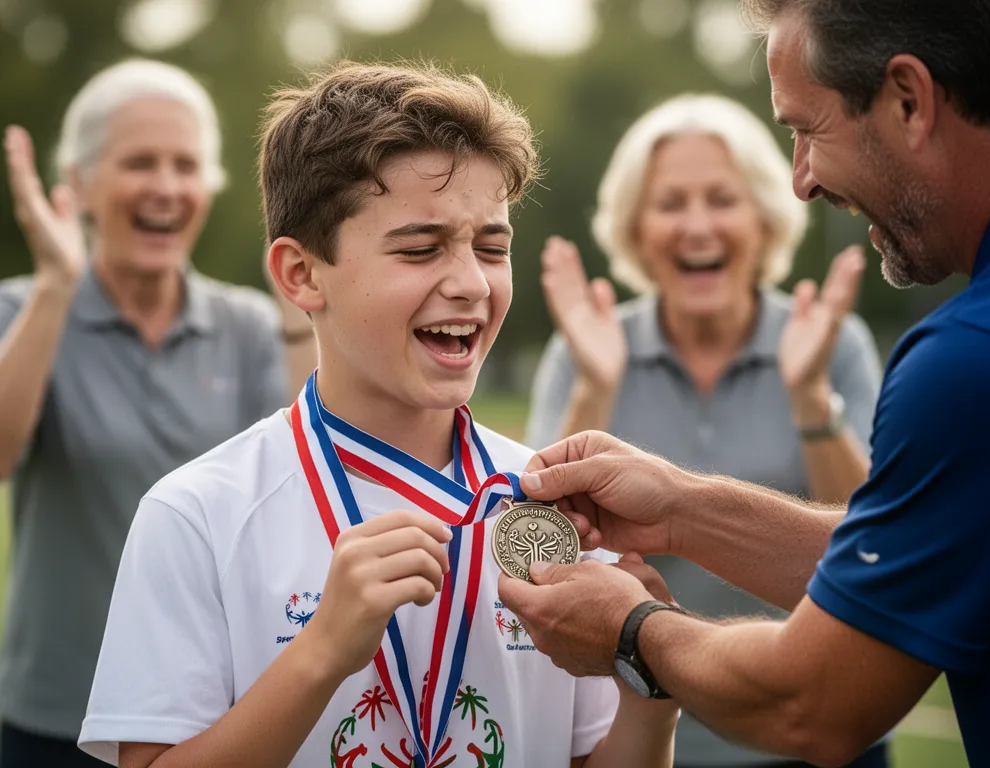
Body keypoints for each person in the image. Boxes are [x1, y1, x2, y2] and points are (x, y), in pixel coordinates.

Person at [77, 60, 679, 768]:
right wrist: (322, 652)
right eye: (420, 249)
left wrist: (651, 688)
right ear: (302, 275)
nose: (469, 283)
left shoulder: (548, 510)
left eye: (491, 247)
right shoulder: (198, 515)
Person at [499, 0, 990, 766]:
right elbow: (904, 555)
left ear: (909, 101)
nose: (802, 181)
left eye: (808, 131)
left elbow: (814, 703)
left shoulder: (975, 357)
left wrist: (631, 629)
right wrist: (680, 507)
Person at [525, 93, 884, 768]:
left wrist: (810, 400)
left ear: (765, 218)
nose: (697, 226)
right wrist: (597, 386)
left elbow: (878, 549)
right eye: (670, 204)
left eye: (722, 199)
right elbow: (537, 545)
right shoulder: (586, 348)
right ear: (635, 228)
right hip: (647, 737)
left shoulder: (833, 344)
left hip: (819, 726)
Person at [0, 59, 316, 767]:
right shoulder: (20, 312)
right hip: (54, 713)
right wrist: (57, 286)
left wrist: (304, 318)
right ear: (78, 184)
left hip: (214, 713)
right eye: (140, 162)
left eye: (186, 164)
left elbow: (312, 477)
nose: (167, 187)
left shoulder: (248, 326)